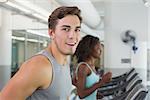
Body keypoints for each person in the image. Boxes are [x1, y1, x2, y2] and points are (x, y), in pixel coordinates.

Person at [0, 6, 82, 100]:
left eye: (77, 30)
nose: (72, 36)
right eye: (66, 29)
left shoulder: (64, 63)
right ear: (52, 33)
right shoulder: (39, 66)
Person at [73, 35, 112, 100]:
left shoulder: (92, 67)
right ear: (90, 49)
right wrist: (102, 82)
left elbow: (88, 87)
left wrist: (96, 94)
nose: (101, 51)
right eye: (98, 48)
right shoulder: (84, 67)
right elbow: (81, 94)